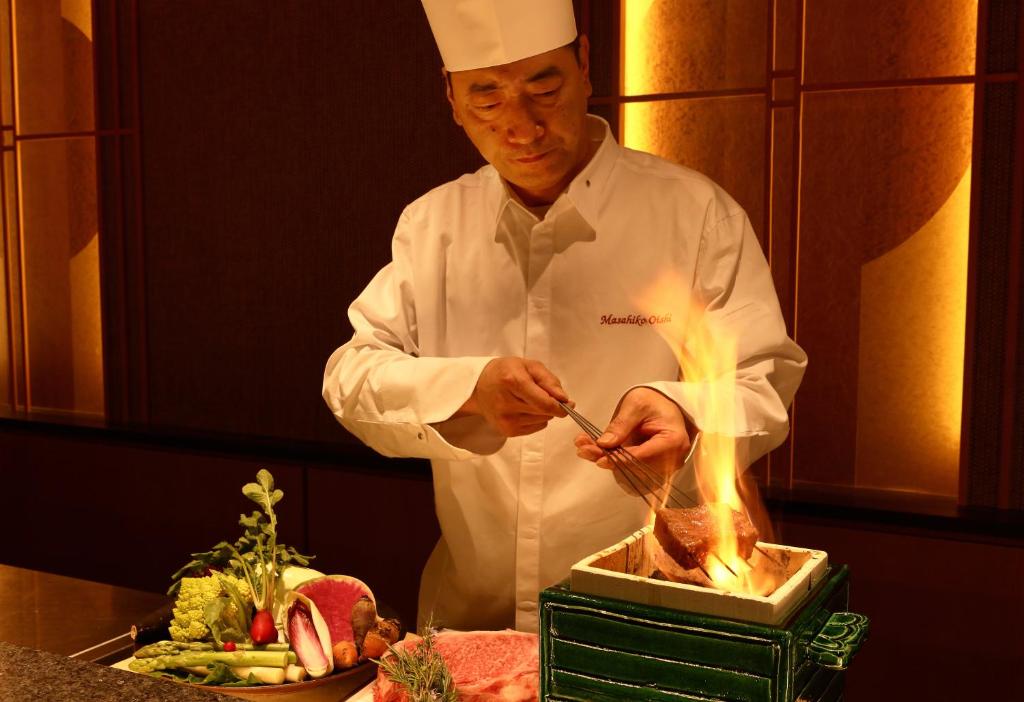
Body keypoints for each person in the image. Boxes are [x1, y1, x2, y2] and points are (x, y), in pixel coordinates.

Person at [322, 0, 806, 634]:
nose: (521, 128)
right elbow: (351, 377)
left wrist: (683, 410)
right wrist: (467, 392)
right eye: (487, 99)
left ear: (583, 64)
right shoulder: (433, 226)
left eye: (543, 86)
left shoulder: (693, 215)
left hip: (641, 624)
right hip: (472, 624)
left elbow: (763, 383)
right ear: (450, 96)